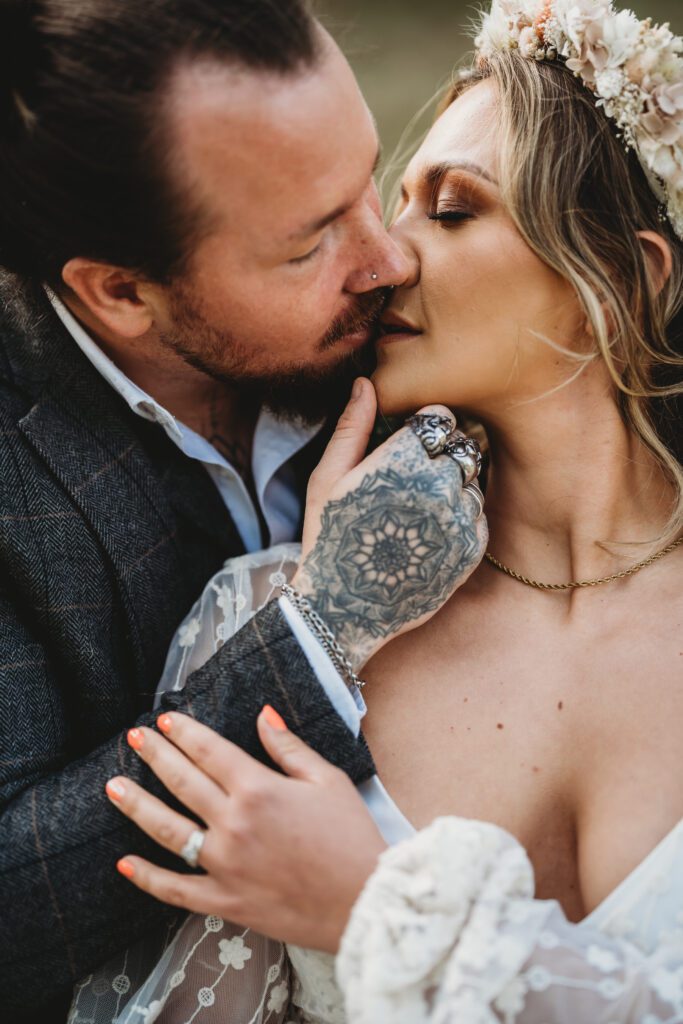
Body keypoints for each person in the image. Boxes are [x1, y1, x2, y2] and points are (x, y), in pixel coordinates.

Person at [109, 0, 683, 1021]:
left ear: (629, 278)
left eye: (452, 209)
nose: (384, 260)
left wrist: (372, 908)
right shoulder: (271, 617)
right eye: (395, 203)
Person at [0, 2, 486, 1021]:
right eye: (312, 244)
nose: (389, 259)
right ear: (120, 291)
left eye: (368, 178)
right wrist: (322, 630)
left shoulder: (430, 325)